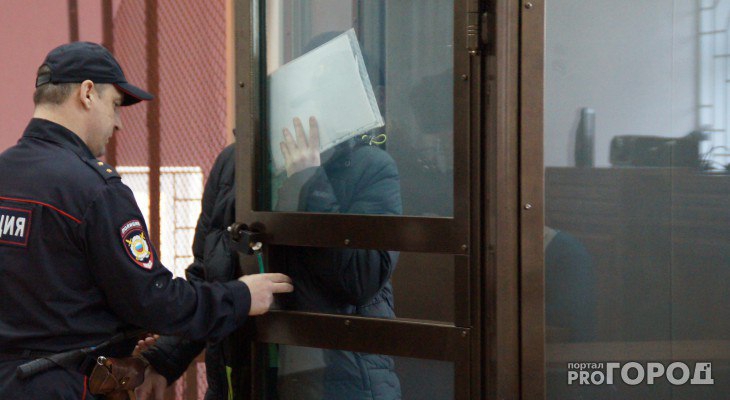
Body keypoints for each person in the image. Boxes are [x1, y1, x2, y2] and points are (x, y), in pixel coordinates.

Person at [0, 42, 293, 399]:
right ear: (87, 93)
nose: (118, 123)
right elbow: (154, 301)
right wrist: (242, 297)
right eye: (115, 105)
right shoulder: (94, 190)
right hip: (62, 386)